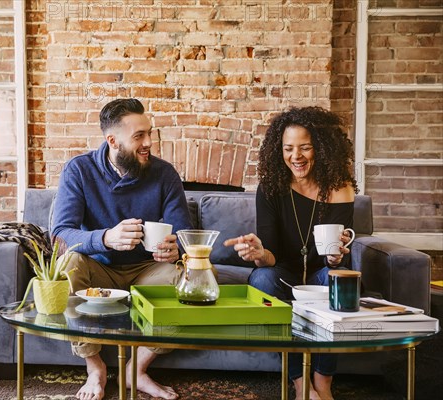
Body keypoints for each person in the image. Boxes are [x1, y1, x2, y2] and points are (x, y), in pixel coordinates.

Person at [52, 98, 192, 400]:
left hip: (147, 268)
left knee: (189, 277)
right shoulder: (79, 171)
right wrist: (105, 239)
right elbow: (61, 236)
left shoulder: (165, 174)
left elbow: (183, 234)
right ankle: (95, 367)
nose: (148, 143)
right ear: (112, 141)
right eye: (139, 136)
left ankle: (136, 370)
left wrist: (175, 248)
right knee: (68, 264)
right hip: (98, 267)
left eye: (149, 134)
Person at [224, 106, 358, 400]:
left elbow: (337, 252)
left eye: (305, 148)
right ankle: (300, 385)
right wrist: (260, 253)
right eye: (288, 149)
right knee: (261, 280)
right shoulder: (271, 188)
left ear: (321, 149)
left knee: (337, 277)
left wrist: (337, 257)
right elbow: (271, 256)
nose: (295, 157)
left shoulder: (340, 188)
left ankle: (323, 385)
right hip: (284, 273)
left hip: (321, 273)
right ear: (279, 151)